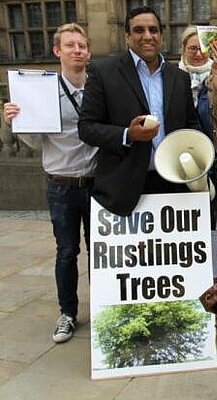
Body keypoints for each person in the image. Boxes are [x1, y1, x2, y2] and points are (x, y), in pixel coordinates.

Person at [3, 23, 95, 343]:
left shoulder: (98, 87)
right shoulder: (42, 92)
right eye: (70, 45)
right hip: (62, 185)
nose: (77, 50)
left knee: (101, 252)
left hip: (97, 184)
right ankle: (67, 313)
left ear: (88, 50)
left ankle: (103, 308)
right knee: (67, 252)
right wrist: (18, 120)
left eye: (82, 45)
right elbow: (33, 142)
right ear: (57, 51)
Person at [78, 5, 200, 216]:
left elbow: (191, 125)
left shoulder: (179, 77)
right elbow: (86, 128)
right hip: (123, 189)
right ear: (127, 36)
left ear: (161, 36)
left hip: (175, 186)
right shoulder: (102, 72)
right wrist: (127, 134)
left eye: (153, 30)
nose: (147, 36)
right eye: (139, 30)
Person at [178, 25, 217, 194]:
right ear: (183, 49)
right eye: (192, 49)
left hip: (214, 162)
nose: (198, 54)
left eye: (203, 49)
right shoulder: (171, 78)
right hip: (181, 159)